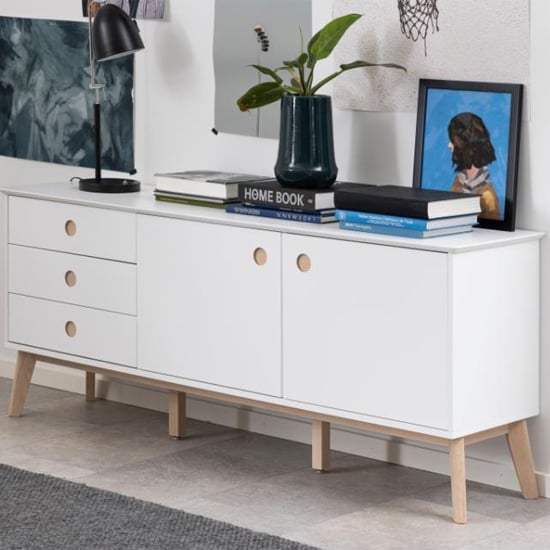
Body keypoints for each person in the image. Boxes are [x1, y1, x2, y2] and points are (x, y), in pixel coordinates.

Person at [447, 112, 500, 220]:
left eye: (453, 140)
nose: (449, 145)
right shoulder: (458, 183)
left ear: (465, 145)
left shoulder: (487, 197)